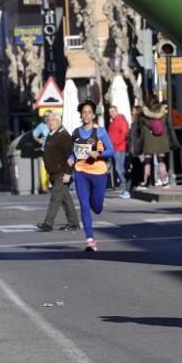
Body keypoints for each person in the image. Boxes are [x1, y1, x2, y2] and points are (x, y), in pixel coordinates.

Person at [69, 100, 116, 252]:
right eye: (84, 113)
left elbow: (111, 151)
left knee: (96, 207)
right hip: (81, 171)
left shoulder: (100, 132)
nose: (86, 115)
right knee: (83, 205)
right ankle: (90, 240)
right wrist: (71, 157)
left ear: (93, 115)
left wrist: (98, 153)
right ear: (81, 115)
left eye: (89, 112)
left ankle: (95, 203)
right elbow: (74, 151)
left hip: (98, 172)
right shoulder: (76, 132)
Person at [36, 111, 82, 233]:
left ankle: (48, 223)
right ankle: (73, 223)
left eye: (52, 120)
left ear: (58, 121)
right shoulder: (52, 134)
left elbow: (71, 156)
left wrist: (68, 173)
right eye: (48, 120)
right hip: (53, 173)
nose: (49, 122)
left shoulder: (64, 136)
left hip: (61, 172)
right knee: (65, 199)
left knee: (55, 198)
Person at [141, 98, 176, 187]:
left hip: (149, 141)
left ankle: (146, 182)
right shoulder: (163, 114)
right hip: (161, 140)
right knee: (161, 162)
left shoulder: (145, 115)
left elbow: (143, 125)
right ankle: (164, 181)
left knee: (147, 162)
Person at [106, 105, 130, 198]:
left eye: (113, 111)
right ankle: (122, 187)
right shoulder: (113, 122)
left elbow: (124, 133)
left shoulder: (120, 120)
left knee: (119, 168)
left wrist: (115, 143)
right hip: (114, 148)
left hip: (119, 148)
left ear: (117, 111)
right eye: (110, 112)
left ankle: (125, 188)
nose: (111, 113)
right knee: (116, 168)